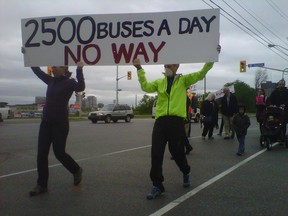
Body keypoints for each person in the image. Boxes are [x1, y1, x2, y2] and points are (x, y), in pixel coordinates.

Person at [132, 45, 220, 200]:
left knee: (177, 152)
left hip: (176, 122)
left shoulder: (183, 81)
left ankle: (185, 171)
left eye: (170, 65)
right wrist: (139, 68)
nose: (167, 67)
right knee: (156, 154)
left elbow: (201, 73)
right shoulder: (160, 82)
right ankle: (157, 185)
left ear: (177, 66)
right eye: (165, 65)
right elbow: (145, 86)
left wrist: (212, 56)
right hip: (160, 122)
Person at [22, 47, 85, 196]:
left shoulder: (70, 82)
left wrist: (80, 69)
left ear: (64, 69)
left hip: (60, 123)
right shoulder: (50, 80)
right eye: (53, 66)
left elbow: (81, 87)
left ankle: (76, 169)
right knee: (41, 154)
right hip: (46, 122)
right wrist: (28, 54)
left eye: (56, 67)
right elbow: (36, 69)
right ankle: (41, 185)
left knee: (59, 153)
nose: (54, 68)